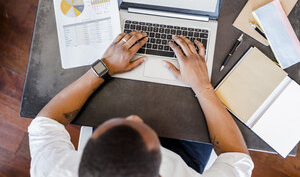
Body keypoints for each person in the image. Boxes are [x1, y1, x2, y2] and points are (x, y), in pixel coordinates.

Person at [28, 31, 254, 177]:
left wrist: (104, 66)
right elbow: (237, 158)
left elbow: (45, 123)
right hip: (187, 157)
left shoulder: (54, 170)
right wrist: (203, 86)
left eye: (113, 129)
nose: (135, 117)